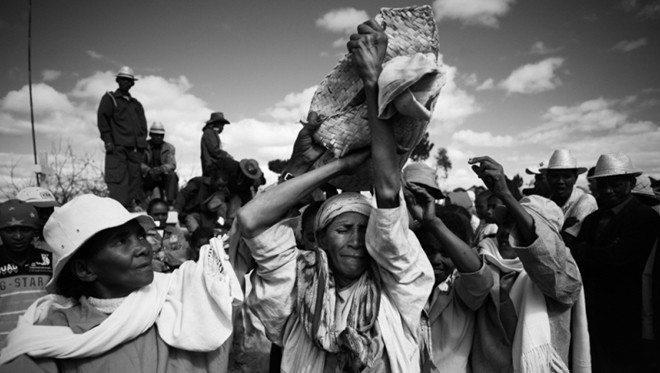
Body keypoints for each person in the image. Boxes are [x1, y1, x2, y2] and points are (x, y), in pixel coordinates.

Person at [237, 20, 434, 372]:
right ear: (319, 239)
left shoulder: (397, 286)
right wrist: (326, 167)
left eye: (364, 230)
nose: (358, 240)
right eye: (343, 229)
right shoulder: (298, 285)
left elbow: (387, 194)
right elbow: (251, 220)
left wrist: (374, 82)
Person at [0, 194, 242, 372]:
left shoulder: (181, 299)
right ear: (84, 269)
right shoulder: (50, 335)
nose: (143, 248)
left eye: (139, 235)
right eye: (120, 241)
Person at [467, 156, 588, 373]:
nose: (507, 234)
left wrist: (505, 193)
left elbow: (547, 260)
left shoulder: (563, 274)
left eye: (519, 229)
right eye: (505, 225)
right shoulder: (485, 260)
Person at [571, 153, 660, 373]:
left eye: (616, 184)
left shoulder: (644, 217)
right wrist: (599, 254)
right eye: (604, 184)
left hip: (628, 314)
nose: (608, 190)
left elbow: (619, 258)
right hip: (594, 311)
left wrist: (586, 252)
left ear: (630, 184)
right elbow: (585, 255)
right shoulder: (592, 219)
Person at [405, 184, 493, 373]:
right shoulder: (405, 285)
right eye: (429, 250)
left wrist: (433, 223)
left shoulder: (460, 289)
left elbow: (482, 279)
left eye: (446, 253)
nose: (436, 259)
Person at [0, 200, 52, 348]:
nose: (18, 236)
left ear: (35, 231)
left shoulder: (49, 261)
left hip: (43, 345)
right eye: (10, 230)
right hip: (4, 349)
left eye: (25, 229)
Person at [97, 66, 148, 209]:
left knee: (134, 181)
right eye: (123, 79)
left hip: (135, 150)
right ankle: (117, 213)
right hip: (118, 148)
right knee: (118, 182)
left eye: (129, 80)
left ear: (133, 83)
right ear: (118, 80)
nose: (126, 83)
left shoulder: (136, 104)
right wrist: (107, 140)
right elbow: (103, 119)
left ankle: (130, 210)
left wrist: (142, 144)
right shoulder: (110, 99)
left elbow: (143, 126)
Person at [540, 149, 597, 247]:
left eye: (566, 176)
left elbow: (565, 242)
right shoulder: (544, 204)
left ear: (575, 178)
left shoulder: (586, 201)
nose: (560, 181)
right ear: (548, 178)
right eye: (555, 176)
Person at [175, 163, 229, 233]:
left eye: (223, 186)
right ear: (212, 179)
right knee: (196, 233)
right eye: (219, 185)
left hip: (208, 218)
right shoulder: (198, 182)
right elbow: (183, 195)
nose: (220, 188)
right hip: (191, 214)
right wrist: (176, 212)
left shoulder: (224, 191)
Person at [146, 198, 191, 272]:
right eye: (156, 215)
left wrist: (161, 256)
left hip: (174, 273)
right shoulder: (143, 234)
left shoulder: (176, 232)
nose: (160, 218)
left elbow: (184, 253)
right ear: (149, 214)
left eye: (164, 214)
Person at [142, 122, 179, 206]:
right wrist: (148, 170)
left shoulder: (169, 147)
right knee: (134, 173)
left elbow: (172, 164)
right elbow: (139, 163)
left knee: (172, 175)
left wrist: (161, 169)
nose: (159, 137)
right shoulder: (143, 146)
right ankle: (137, 201)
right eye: (156, 135)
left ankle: (171, 202)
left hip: (162, 176)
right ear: (151, 134)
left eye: (161, 135)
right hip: (147, 176)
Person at [200, 112, 232, 177]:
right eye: (222, 125)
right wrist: (226, 155)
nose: (223, 128)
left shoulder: (212, 133)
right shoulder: (209, 133)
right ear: (217, 124)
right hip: (211, 167)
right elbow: (214, 151)